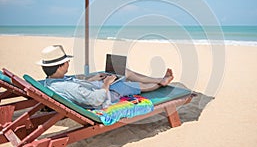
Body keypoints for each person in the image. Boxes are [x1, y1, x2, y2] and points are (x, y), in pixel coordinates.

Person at [37, 45, 174, 109]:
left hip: (96, 86)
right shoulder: (67, 87)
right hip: (106, 95)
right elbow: (96, 100)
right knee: (130, 85)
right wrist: (106, 84)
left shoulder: (51, 81)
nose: (68, 63)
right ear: (60, 66)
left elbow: (78, 87)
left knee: (124, 73)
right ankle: (161, 82)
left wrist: (93, 80)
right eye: (66, 62)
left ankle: (158, 79)